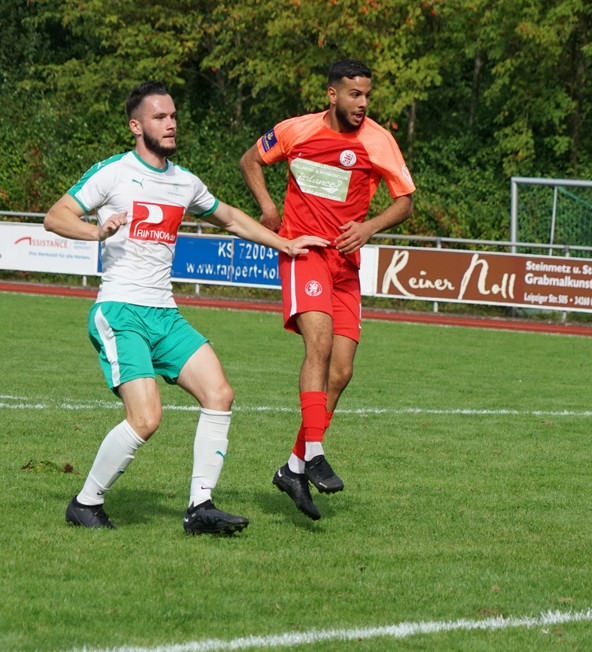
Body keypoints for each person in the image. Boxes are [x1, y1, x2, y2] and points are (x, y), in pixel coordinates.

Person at [44, 81, 329, 534]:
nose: (171, 123)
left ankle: (200, 507)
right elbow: (56, 215)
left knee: (220, 395)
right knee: (146, 418)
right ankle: (85, 502)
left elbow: (232, 217)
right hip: (121, 311)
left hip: (165, 315)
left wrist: (287, 244)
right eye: (160, 117)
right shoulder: (113, 172)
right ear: (136, 126)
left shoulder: (184, 182)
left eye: (173, 115)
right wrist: (97, 233)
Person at [239, 58, 415, 520]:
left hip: (346, 265)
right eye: (355, 94)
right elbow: (251, 159)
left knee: (342, 372)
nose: (363, 103)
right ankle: (314, 452)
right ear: (332, 94)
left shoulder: (378, 140)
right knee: (317, 345)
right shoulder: (296, 131)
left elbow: (405, 202)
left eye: (368, 95)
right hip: (304, 252)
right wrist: (268, 209)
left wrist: (369, 227)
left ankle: (293, 467)